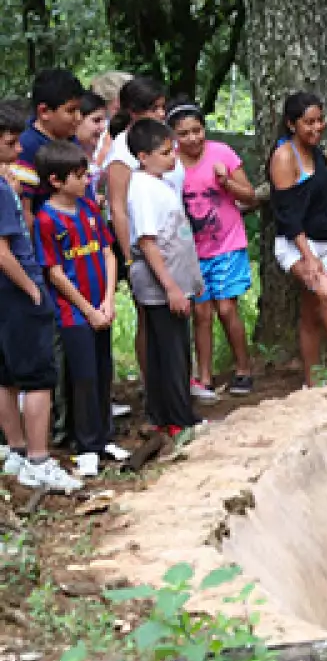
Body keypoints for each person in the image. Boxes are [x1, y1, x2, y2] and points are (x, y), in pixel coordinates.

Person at [0, 103, 81, 493]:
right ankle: (38, 458)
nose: (19, 152)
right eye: (11, 143)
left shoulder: (4, 182)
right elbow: (1, 249)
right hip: (17, 290)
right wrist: (32, 289)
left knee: (6, 375)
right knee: (38, 378)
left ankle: (15, 451)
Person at [33, 140, 127, 474]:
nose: (87, 180)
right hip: (75, 312)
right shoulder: (46, 219)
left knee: (103, 370)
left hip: (101, 306)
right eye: (78, 175)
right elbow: (55, 272)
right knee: (82, 374)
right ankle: (85, 443)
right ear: (56, 180)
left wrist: (108, 300)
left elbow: (107, 252)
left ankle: (104, 437)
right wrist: (88, 309)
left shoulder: (89, 209)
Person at [267, 91, 327, 389]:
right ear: (291, 124)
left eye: (320, 121)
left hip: (324, 240)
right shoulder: (284, 157)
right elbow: (288, 215)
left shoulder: (316, 154)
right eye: (308, 122)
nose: (316, 128)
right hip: (297, 244)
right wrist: (308, 258)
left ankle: (310, 382)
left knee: (312, 313)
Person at [169, 104, 257, 398]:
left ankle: (243, 368)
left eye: (197, 131)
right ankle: (204, 378)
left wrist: (226, 182)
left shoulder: (222, 153)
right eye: (184, 134)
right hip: (191, 250)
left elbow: (250, 195)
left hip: (227, 243)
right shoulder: (169, 163)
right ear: (173, 136)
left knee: (226, 307)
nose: (193, 138)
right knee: (201, 312)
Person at [124, 118, 202, 437]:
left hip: (174, 277)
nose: (173, 157)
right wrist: (171, 288)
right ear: (143, 156)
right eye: (165, 152)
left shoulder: (160, 183)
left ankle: (165, 414)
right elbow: (147, 240)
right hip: (161, 282)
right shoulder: (142, 189)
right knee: (171, 350)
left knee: (170, 347)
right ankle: (178, 418)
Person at [103, 76, 177, 394]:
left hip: (171, 237)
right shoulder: (122, 152)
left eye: (163, 107)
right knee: (150, 313)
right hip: (141, 242)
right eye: (153, 109)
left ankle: (174, 377)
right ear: (133, 112)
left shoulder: (162, 140)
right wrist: (130, 257)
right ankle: (154, 384)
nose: (161, 114)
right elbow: (118, 210)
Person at [13, 68, 85, 217]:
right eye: (71, 111)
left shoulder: (71, 139)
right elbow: (26, 210)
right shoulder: (26, 147)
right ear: (44, 111)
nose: (79, 118)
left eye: (79, 110)